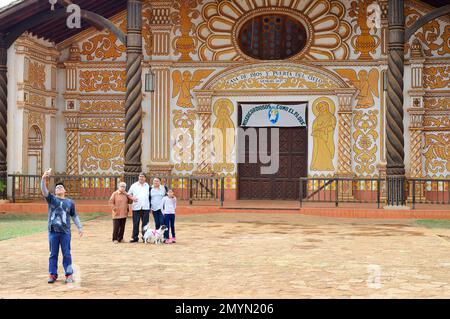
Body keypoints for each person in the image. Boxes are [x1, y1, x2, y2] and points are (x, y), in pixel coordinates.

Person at [40, 168, 83, 284]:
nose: (58, 188)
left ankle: (69, 275)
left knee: (67, 254)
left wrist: (79, 227)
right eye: (57, 187)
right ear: (54, 191)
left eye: (61, 187)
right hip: (53, 231)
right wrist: (44, 178)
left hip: (65, 232)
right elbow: (44, 191)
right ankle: (52, 274)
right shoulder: (52, 199)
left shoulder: (70, 202)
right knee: (53, 254)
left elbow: (74, 216)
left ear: (65, 191)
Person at [128, 173, 150, 243]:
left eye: (143, 177)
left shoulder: (148, 186)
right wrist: (132, 198)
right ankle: (134, 238)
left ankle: (145, 237)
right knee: (136, 223)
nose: (141, 178)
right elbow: (129, 194)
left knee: (145, 224)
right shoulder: (134, 185)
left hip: (145, 207)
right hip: (136, 207)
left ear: (145, 178)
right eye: (140, 176)